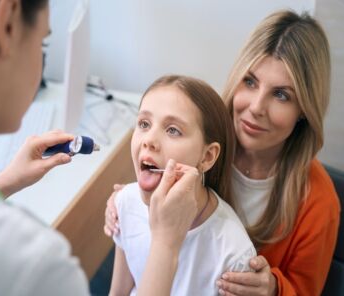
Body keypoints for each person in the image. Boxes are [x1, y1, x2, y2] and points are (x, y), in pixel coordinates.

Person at [104, 10, 341, 296]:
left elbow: (306, 289)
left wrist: (274, 289)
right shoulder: (199, 137)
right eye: (250, 82)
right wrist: (127, 204)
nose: (256, 107)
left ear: (304, 110)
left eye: (281, 95)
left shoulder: (319, 200)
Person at [0, 1, 200, 295]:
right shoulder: (38, 267)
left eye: (172, 129)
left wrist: (4, 183)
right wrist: (166, 245)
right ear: (7, 24)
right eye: (43, 44)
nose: (148, 140)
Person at [109, 75, 256, 295]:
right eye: (144, 124)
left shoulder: (234, 255)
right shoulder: (124, 204)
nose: (149, 139)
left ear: (207, 157)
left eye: (173, 130)